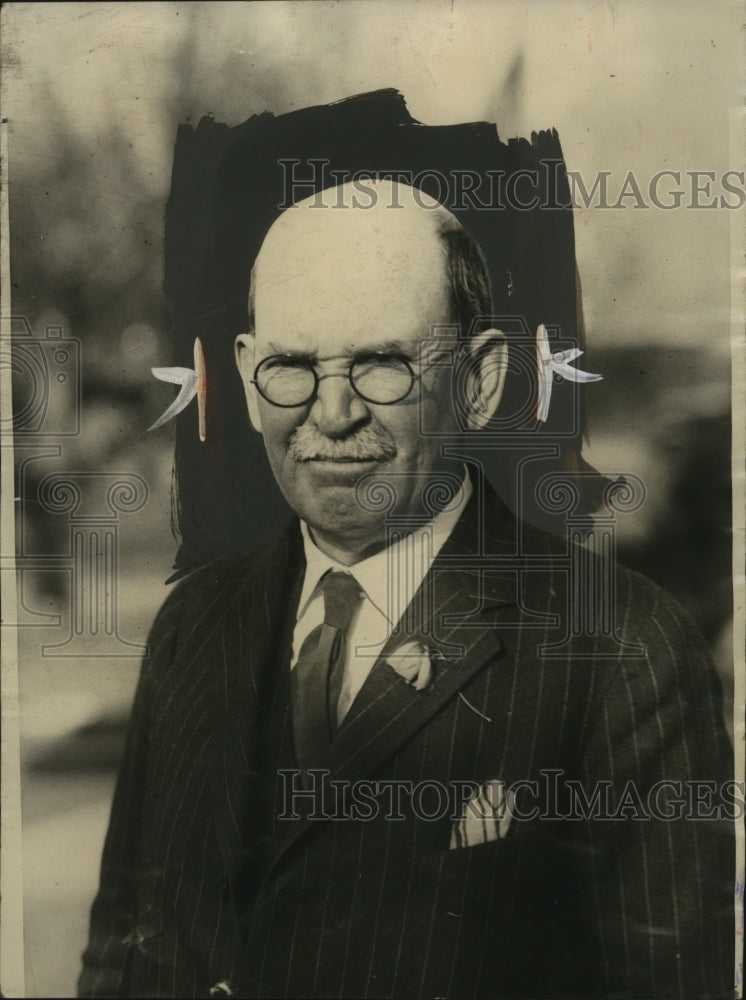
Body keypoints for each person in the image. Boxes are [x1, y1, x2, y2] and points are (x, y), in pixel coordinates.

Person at [78, 179, 735, 999]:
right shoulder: (194, 623)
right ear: (247, 378)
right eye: (292, 365)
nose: (335, 411)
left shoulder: (624, 650)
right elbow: (123, 958)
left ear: (482, 380)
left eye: (383, 363)